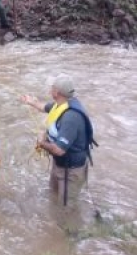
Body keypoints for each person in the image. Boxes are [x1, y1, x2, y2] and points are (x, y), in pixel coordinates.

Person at [21, 75, 97, 207]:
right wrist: (29, 101)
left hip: (71, 171)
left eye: (52, 88)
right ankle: (54, 226)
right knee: (54, 198)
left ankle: (69, 227)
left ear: (56, 92)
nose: (50, 90)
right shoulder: (60, 104)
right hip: (60, 165)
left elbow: (59, 150)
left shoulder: (71, 117)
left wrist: (41, 142)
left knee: (67, 208)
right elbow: (43, 107)